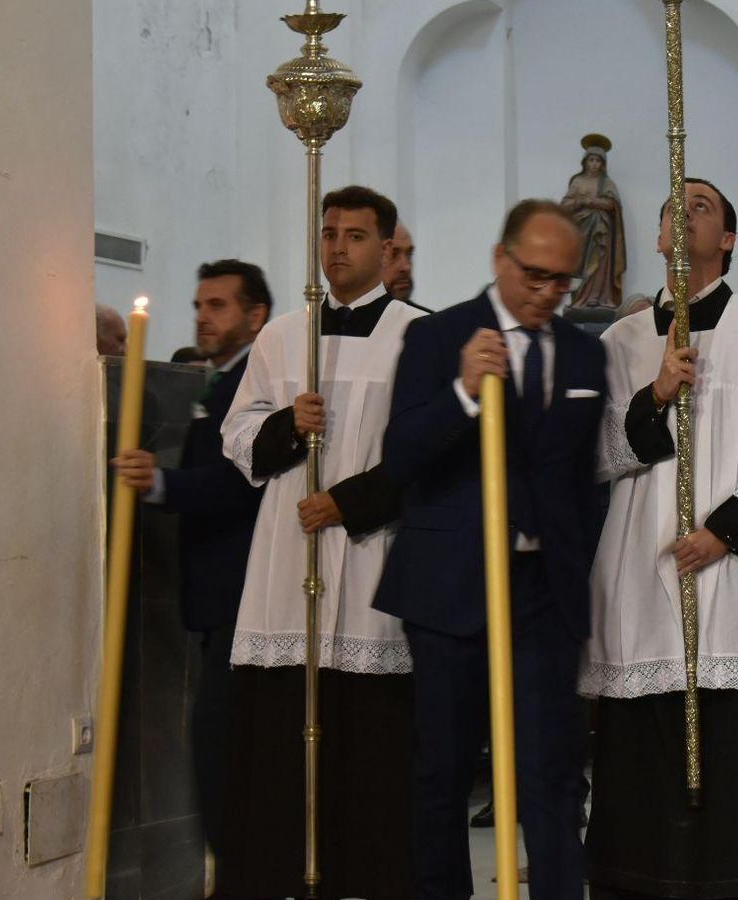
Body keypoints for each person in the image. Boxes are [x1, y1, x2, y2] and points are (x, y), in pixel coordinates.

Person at [583, 177, 738, 900]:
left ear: (728, 240)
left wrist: (723, 532)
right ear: (657, 241)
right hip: (642, 594)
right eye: (671, 210)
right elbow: (596, 453)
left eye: (702, 208)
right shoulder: (618, 343)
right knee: (641, 778)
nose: (682, 217)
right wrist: (654, 397)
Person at [373, 199, 605, 900]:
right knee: (443, 772)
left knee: (552, 772)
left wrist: (571, 562)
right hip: (449, 589)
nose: (546, 292)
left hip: (543, 590)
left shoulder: (585, 351)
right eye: (534, 275)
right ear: (500, 259)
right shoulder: (438, 337)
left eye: (562, 281)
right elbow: (400, 456)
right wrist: (464, 394)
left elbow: (583, 479)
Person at [217, 185, 424, 898]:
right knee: (280, 745)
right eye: (329, 232)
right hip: (287, 564)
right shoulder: (282, 336)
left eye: (356, 236)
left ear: (387, 248)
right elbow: (238, 437)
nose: (338, 247)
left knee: (365, 747)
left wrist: (347, 503)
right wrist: (286, 426)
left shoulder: (416, 335)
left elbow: (424, 455)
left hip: (370, 560)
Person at [112, 258, 271, 870]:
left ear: (255, 316)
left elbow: (242, 482)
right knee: (218, 750)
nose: (203, 317)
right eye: (200, 306)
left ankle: (236, 876)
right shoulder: (220, 380)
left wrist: (162, 485)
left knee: (223, 750)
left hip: (240, 594)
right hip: (215, 598)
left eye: (219, 306)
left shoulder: (252, 383)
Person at [561, 134, 626, 308]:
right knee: (580, 263)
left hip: (601, 231)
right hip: (580, 229)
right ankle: (580, 297)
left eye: (598, 160)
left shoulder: (606, 182)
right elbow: (565, 205)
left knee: (600, 263)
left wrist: (590, 201)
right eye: (591, 160)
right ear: (585, 162)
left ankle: (597, 295)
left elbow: (613, 204)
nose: (594, 164)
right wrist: (578, 202)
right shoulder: (577, 181)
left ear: (603, 164)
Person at [382, 220, 420, 307]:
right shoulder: (346, 318)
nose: (406, 267)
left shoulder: (425, 319)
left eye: (409, 254)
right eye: (393, 254)